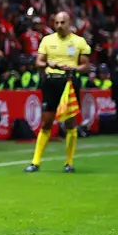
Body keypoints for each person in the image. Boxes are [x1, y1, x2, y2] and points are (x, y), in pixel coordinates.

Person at [25, 11, 91, 174]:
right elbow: (38, 62)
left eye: (63, 22)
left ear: (69, 23)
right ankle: (35, 162)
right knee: (46, 122)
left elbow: (86, 66)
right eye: (57, 23)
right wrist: (49, 64)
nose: (59, 26)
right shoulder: (47, 40)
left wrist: (73, 68)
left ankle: (69, 162)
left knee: (70, 123)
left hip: (69, 82)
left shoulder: (79, 42)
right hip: (51, 81)